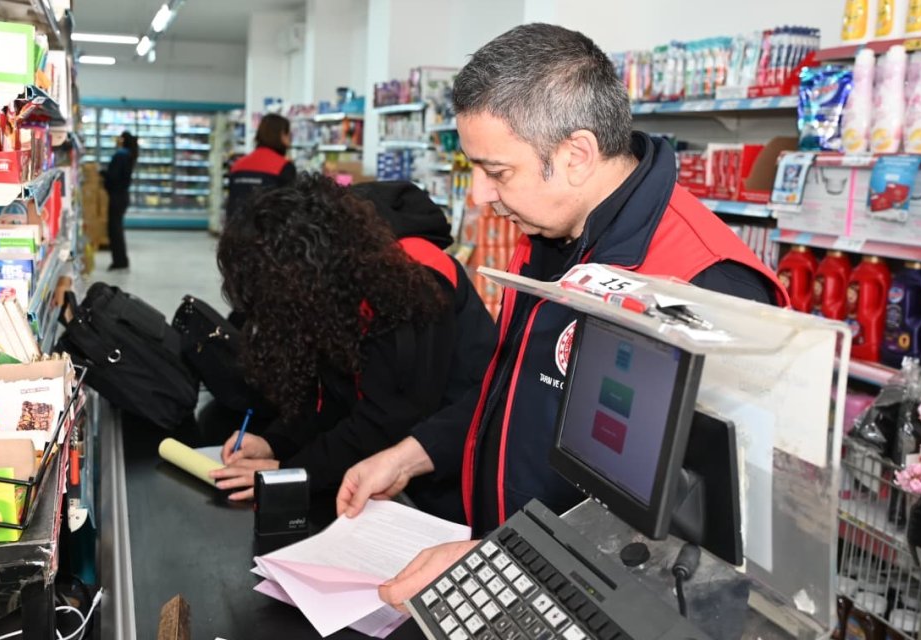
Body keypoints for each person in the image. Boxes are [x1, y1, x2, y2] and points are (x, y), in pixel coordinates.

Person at [332, 23, 791, 609]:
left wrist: (512, 557)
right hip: (521, 577)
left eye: (497, 172)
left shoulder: (707, 285)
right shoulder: (552, 236)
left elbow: (697, 531)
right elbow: (518, 389)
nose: (479, 196)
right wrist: (414, 452)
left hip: (612, 605)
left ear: (575, 155)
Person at [207, 175, 497, 523]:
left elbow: (390, 416)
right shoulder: (340, 275)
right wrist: (276, 443)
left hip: (458, 477)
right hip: (391, 466)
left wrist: (292, 472)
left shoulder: (414, 279)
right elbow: (334, 394)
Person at [226, 114, 297, 222]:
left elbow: (232, 203)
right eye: (289, 134)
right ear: (282, 135)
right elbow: (290, 208)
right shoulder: (284, 167)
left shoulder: (238, 165)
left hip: (237, 231)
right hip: (269, 234)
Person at [101, 131, 138, 271]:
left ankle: (119, 261)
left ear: (123, 140)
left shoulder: (120, 155)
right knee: (117, 229)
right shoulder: (130, 154)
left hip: (116, 196)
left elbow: (113, 177)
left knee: (114, 230)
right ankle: (121, 260)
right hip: (123, 196)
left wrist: (103, 174)